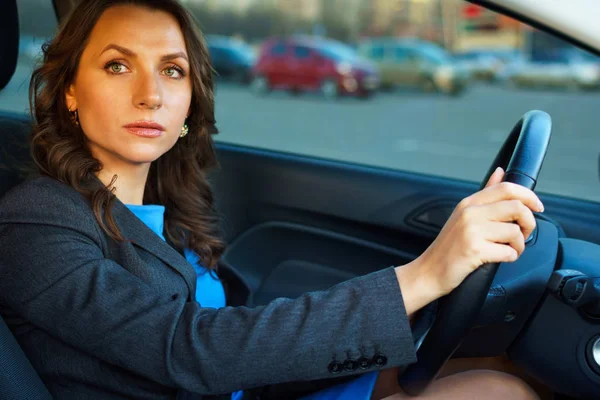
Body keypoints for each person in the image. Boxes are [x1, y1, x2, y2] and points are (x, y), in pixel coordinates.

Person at [0, 1, 542, 399]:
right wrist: (424, 276)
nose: (151, 93)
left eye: (172, 70)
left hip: (253, 387)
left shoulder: (169, 215)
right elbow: (188, 349)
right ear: (70, 89)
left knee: (506, 364)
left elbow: (239, 342)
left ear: (190, 101)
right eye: (117, 66)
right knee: (500, 392)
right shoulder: (35, 222)